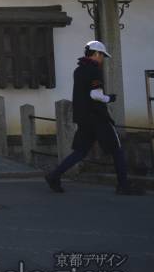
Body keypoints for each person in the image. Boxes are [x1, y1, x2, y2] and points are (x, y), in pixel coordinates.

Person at [45, 40, 142, 195]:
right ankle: (123, 185)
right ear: (96, 54)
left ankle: (54, 175)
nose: (102, 59)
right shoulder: (94, 71)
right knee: (117, 150)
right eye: (102, 55)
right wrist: (109, 98)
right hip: (98, 118)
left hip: (83, 118)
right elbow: (95, 95)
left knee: (80, 152)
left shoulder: (78, 70)